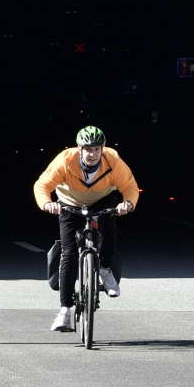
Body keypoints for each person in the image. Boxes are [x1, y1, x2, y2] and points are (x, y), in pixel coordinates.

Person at [33, 126, 138, 332]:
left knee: (109, 230)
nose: (93, 154)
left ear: (103, 149)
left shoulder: (113, 161)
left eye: (97, 149)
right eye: (88, 149)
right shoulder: (65, 160)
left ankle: (106, 271)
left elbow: (130, 187)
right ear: (79, 149)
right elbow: (42, 185)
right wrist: (47, 203)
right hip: (69, 203)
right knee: (69, 253)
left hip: (102, 201)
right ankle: (65, 311)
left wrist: (128, 204)